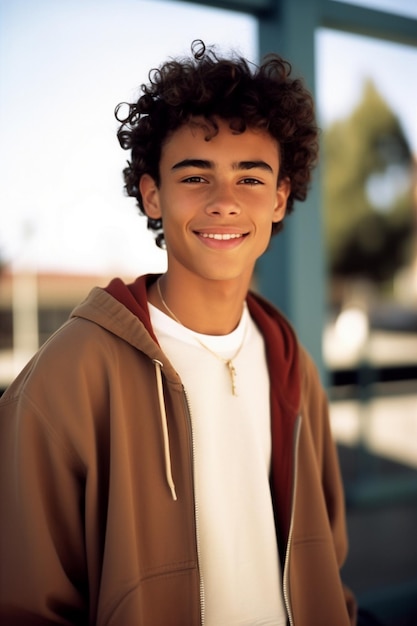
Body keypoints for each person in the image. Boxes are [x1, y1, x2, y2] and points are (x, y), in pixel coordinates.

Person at [0, 40, 357, 625]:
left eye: (250, 178)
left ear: (279, 198)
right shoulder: (74, 370)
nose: (224, 202)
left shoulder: (293, 365)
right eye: (196, 176)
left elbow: (328, 565)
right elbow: (22, 598)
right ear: (152, 194)